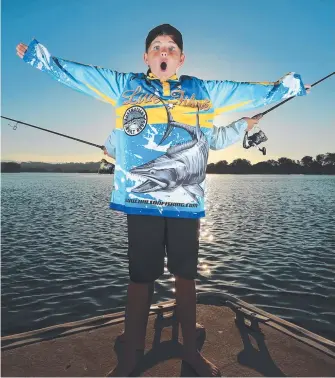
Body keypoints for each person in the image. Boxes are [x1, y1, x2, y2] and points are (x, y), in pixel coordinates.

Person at [16, 23, 310, 377]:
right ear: (146, 57)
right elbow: (82, 76)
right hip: (141, 202)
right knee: (141, 279)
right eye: (156, 47)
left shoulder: (202, 90)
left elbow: (242, 95)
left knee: (186, 278)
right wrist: (40, 59)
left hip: (186, 204)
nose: (164, 52)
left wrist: (285, 89)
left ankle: (190, 351)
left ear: (181, 58)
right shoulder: (125, 86)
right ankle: (130, 357)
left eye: (171, 48)